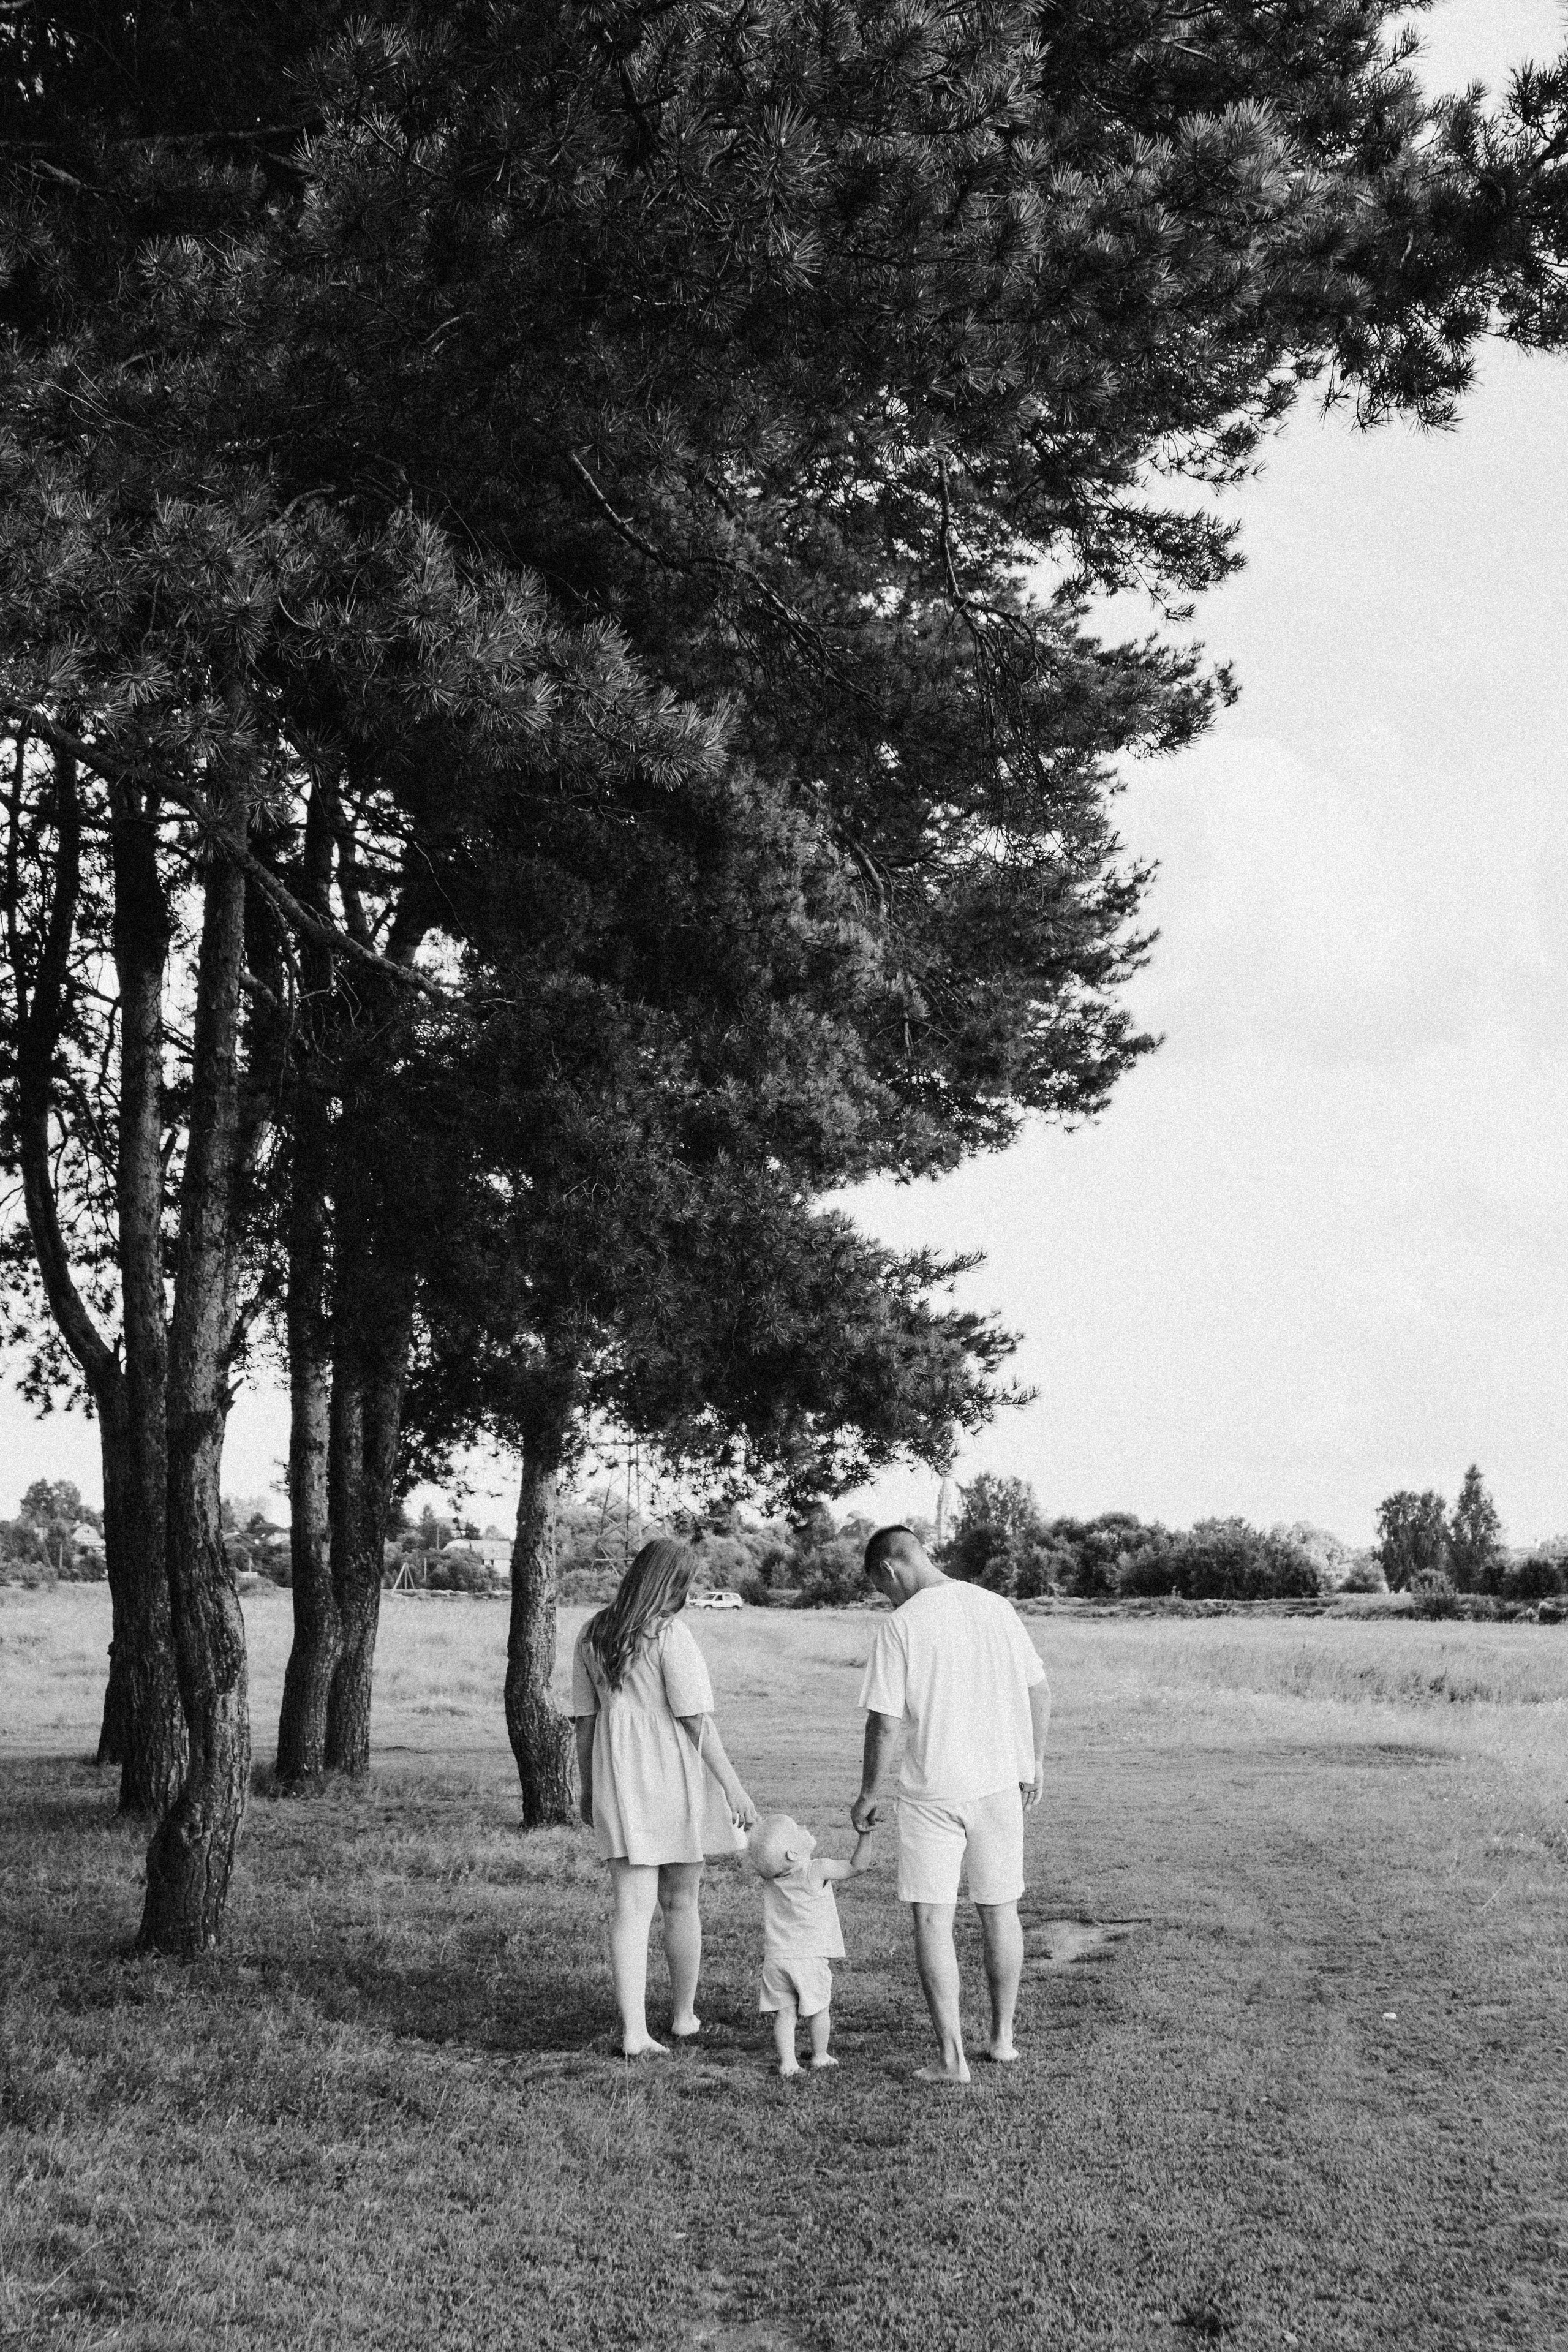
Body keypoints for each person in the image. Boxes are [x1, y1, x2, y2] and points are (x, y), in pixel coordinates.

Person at [851, 1525, 1050, 2086]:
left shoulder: (902, 1625)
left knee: (932, 1917)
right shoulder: (995, 1606)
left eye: (882, 1589)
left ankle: (951, 2059)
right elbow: (1039, 1690)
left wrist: (868, 1794)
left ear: (889, 1569)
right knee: (1001, 1909)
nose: (887, 1599)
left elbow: (884, 1722)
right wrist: (1034, 1762)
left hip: (934, 1792)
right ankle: (1003, 2040)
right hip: (1000, 1785)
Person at [573, 1537, 757, 2056]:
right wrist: (733, 1786)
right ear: (671, 1583)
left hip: (618, 1776)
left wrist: (589, 1787)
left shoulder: (592, 1632)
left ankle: (635, 2032)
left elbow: (585, 1723)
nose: (688, 1593)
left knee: (631, 1908)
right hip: (673, 1774)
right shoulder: (671, 1634)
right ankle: (682, 2016)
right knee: (681, 1901)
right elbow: (695, 1719)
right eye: (686, 1583)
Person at [748, 1813, 874, 2077]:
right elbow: (857, 1867)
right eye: (796, 1828)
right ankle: (820, 2055)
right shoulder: (816, 1870)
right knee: (819, 2009)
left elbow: (765, 1858)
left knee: (785, 2013)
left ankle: (788, 2063)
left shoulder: (772, 1880)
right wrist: (865, 1835)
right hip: (808, 1958)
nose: (803, 1827)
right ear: (793, 1853)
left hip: (776, 1960)